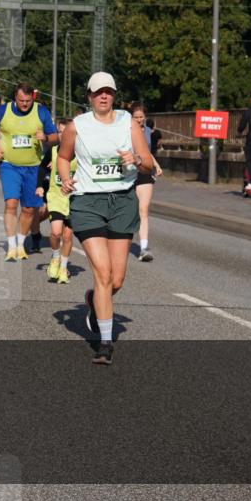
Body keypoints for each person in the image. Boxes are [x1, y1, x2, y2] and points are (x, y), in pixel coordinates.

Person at [58, 72, 152, 365]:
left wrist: (135, 159)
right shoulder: (78, 126)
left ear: (114, 95)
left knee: (118, 278)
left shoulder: (128, 122)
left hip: (122, 201)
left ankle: (94, 302)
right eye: (98, 92)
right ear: (89, 96)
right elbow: (63, 157)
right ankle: (105, 343)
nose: (104, 96)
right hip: (88, 202)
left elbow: (148, 162)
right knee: (103, 273)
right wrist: (64, 178)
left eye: (109, 92)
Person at [0, 84, 58, 261]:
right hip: (10, 165)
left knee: (30, 209)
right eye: (21, 100)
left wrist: (45, 138)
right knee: (11, 203)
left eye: (28, 101)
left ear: (33, 98)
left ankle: (21, 244)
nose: (24, 104)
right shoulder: (3, 110)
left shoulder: (41, 111)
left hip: (34, 166)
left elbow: (55, 137)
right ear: (15, 97)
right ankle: (11, 245)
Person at [37, 118, 75, 283]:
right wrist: (40, 186)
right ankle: (55, 257)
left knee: (67, 236)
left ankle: (64, 267)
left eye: (67, 131)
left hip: (74, 198)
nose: (63, 134)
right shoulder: (52, 151)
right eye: (60, 131)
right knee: (56, 232)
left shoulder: (81, 153)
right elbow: (41, 167)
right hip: (56, 195)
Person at [130, 102, 164, 262]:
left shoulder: (148, 131)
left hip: (144, 172)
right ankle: (119, 241)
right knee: (129, 210)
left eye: (141, 117)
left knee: (143, 210)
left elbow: (147, 152)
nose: (138, 120)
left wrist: (156, 165)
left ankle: (143, 248)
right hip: (128, 172)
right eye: (135, 117)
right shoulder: (126, 130)